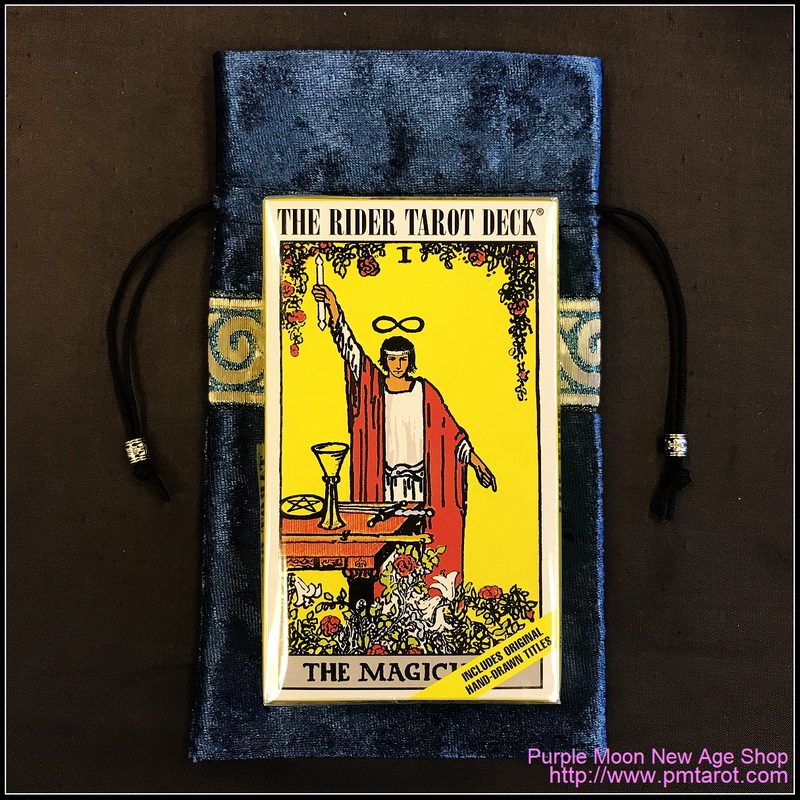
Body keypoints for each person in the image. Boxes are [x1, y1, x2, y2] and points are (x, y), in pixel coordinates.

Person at [312, 283, 496, 584]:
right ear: (384, 361)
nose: (397, 365)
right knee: (387, 551)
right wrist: (333, 308)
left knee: (422, 550)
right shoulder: (373, 388)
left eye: (403, 359)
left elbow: (452, 436)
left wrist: (477, 464)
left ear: (410, 360)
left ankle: (424, 605)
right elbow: (350, 349)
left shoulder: (425, 392)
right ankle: (387, 605)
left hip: (423, 489)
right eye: (392, 359)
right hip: (385, 489)